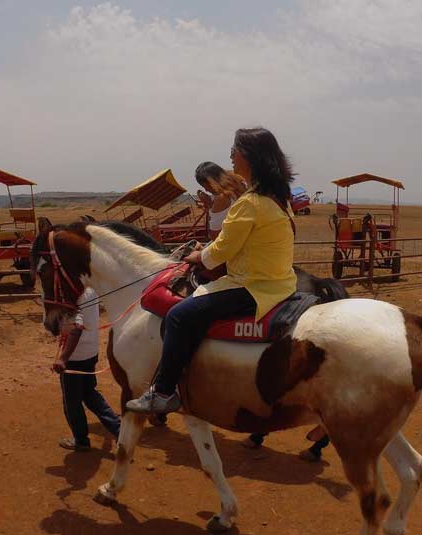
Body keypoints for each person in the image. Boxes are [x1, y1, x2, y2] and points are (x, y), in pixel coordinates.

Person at [126, 127, 297, 414]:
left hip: (252, 285)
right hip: (281, 282)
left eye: (234, 150)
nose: (230, 156)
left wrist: (197, 256)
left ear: (249, 156)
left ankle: (164, 392)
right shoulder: (277, 198)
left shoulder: (250, 203)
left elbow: (221, 251)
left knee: (178, 316)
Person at [52, 286, 121, 451]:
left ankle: (81, 440)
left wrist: (63, 358)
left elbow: (76, 327)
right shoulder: (90, 287)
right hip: (90, 351)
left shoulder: (72, 292)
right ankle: (118, 429)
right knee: (89, 394)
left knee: (72, 401)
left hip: (75, 357)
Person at [195, 162, 248, 238]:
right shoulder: (242, 183)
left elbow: (214, 236)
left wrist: (209, 206)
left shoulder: (221, 197)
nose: (206, 190)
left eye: (205, 186)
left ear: (210, 183)